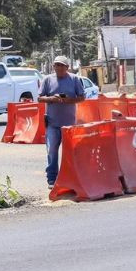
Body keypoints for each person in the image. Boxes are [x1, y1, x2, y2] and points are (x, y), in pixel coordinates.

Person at [38, 56, 85, 189]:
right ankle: (52, 178)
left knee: (70, 151)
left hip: (69, 124)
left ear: (67, 67)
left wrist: (67, 100)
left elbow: (82, 98)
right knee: (52, 151)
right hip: (52, 123)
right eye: (56, 65)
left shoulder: (74, 79)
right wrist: (52, 98)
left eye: (61, 65)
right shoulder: (47, 79)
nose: (58, 68)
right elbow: (40, 98)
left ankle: (70, 176)